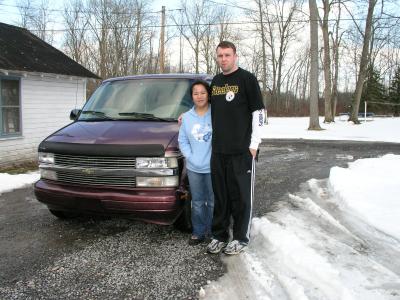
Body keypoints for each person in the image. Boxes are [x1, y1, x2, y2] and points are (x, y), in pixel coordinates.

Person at [206, 41, 265, 255]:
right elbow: (207, 110)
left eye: (227, 55)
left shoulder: (247, 79)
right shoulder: (216, 82)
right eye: (220, 55)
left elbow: (258, 113)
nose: (223, 59)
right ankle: (220, 235)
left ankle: (241, 237)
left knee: (241, 197)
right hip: (219, 151)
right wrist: (188, 115)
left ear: (235, 56)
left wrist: (254, 145)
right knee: (221, 196)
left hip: (242, 151)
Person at [178, 80, 214, 245]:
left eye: (203, 92)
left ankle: (215, 232)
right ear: (191, 96)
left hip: (214, 167)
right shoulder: (186, 117)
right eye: (195, 93)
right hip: (194, 168)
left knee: (214, 202)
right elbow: (182, 141)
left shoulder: (216, 114)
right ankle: (198, 232)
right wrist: (190, 157)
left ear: (208, 94)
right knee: (198, 202)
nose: (199, 96)